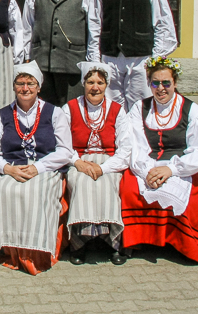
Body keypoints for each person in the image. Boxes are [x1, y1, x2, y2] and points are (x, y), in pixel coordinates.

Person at [120, 57, 198, 263]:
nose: (161, 88)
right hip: (148, 164)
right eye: (155, 83)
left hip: (181, 167)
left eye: (166, 83)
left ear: (175, 83)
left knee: (191, 200)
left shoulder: (191, 110)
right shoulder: (139, 108)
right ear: (148, 83)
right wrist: (147, 171)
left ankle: (177, 241)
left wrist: (171, 170)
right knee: (129, 188)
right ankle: (136, 239)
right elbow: (134, 144)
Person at [0, 62, 73, 275]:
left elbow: (65, 151)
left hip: (45, 168)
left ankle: (37, 252)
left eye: (30, 83)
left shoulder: (55, 113)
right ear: (14, 86)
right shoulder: (1, 116)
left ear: (39, 87)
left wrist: (38, 167)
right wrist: (7, 169)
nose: (25, 88)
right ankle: (12, 249)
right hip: (12, 168)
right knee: (8, 190)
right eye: (20, 83)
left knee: (37, 191)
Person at [88, 0, 178, 111]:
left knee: (140, 107)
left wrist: (155, 59)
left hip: (140, 58)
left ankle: (140, 139)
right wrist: (95, 60)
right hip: (110, 58)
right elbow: (94, 23)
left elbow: (163, 22)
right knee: (112, 109)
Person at [62, 61, 131, 265]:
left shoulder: (118, 110)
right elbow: (62, 143)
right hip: (79, 160)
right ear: (83, 83)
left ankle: (112, 241)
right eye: (90, 82)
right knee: (81, 183)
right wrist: (78, 163)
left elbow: (126, 148)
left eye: (100, 82)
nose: (95, 87)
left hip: (109, 161)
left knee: (107, 183)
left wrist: (103, 168)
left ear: (106, 85)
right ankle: (80, 242)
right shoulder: (70, 108)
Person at [23, 0, 93, 106]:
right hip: (42, 65)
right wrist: (26, 58)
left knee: (71, 113)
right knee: (44, 114)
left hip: (72, 65)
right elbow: (26, 26)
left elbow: (93, 29)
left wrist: (92, 61)